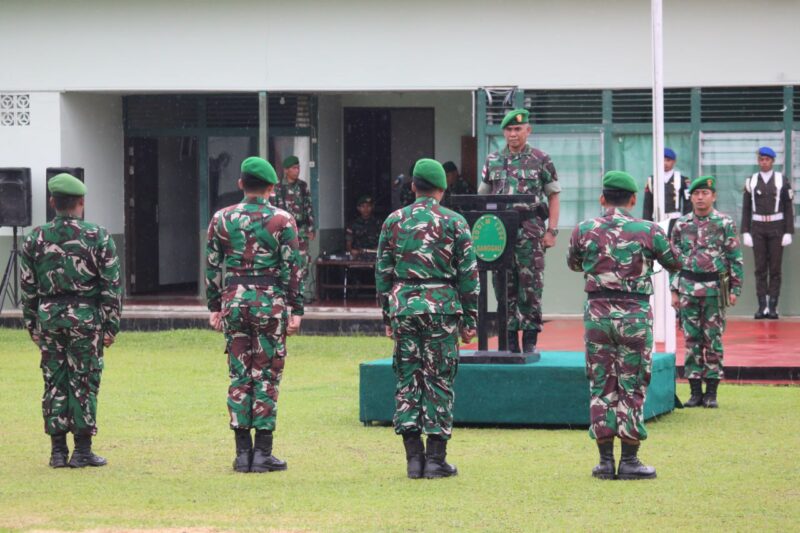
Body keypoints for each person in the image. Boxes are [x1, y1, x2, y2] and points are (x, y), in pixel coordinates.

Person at [567, 170, 680, 481]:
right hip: (634, 316)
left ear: (603, 198)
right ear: (633, 199)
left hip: (597, 314)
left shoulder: (584, 229)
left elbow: (574, 263)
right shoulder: (649, 230)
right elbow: (674, 262)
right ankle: (629, 461)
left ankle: (604, 461)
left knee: (601, 383)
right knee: (631, 385)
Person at [376, 158, 479, 479]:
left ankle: (413, 459)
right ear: (442, 189)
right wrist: (471, 320)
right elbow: (468, 275)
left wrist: (387, 314)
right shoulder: (455, 222)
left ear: (412, 187)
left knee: (408, 378)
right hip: (442, 308)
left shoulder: (394, 221)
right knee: (439, 379)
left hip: (405, 307)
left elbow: (383, 271)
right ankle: (436, 460)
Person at [206, 156, 304, 473]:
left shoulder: (222, 218)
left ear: (240, 185)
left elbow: (211, 265)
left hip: (234, 300)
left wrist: (214, 306)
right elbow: (293, 268)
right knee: (266, 374)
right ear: (272, 188)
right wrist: (296, 309)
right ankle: (262, 453)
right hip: (269, 301)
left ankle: (241, 454)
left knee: (239, 374)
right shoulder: (282, 220)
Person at [20, 173, 122, 468]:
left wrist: (32, 325)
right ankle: (82, 450)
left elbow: (27, 287)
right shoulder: (97, 235)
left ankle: (57, 452)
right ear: (81, 202)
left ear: (52, 202)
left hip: (50, 319)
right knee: (84, 380)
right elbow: (111, 285)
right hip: (85, 319)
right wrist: (110, 325)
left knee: (54, 381)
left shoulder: (35, 238)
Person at [479, 108, 560, 353]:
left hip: (530, 230)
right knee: (503, 285)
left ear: (528, 130)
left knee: (531, 285)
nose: (513, 134)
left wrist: (552, 231)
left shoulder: (541, 159)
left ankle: (530, 338)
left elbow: (554, 195)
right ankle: (510, 337)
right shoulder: (492, 160)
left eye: (518, 129)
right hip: (500, 232)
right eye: (509, 130)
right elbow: (482, 196)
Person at [670, 177, 743, 409]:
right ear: (690, 197)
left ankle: (711, 392)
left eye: (705, 193)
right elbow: (673, 260)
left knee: (713, 340)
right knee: (691, 340)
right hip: (688, 289)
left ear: (714, 196)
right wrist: (674, 289)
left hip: (714, 290)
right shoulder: (681, 224)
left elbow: (734, 257)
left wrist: (735, 288)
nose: (700, 198)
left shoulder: (724, 223)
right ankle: (694, 392)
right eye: (696, 194)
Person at [740, 146, 794, 319]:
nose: (764, 162)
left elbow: (788, 207)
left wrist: (788, 231)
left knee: (775, 269)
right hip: (758, 228)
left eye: (767, 160)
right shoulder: (752, 180)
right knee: (760, 268)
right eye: (761, 159)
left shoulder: (781, 180)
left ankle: (773, 307)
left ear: (772, 161)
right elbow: (746, 208)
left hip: (777, 227)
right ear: (758, 161)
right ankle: (761, 306)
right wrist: (745, 231)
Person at [274, 155, 315, 296]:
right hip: (284, 231)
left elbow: (309, 207)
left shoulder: (303, 186)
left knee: (303, 262)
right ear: (286, 170)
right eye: (294, 168)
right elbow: (274, 210)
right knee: (284, 261)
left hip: (301, 230)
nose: (297, 171)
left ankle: (299, 293)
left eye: (298, 168)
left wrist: (311, 228)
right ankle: (285, 292)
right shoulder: (278, 188)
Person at [642, 148, 692, 234]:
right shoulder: (652, 180)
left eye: (668, 160)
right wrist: (647, 225)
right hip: (656, 220)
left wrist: (686, 223)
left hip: (675, 220)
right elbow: (647, 205)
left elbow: (688, 204)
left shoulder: (681, 179)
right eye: (662, 160)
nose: (665, 163)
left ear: (674, 161)